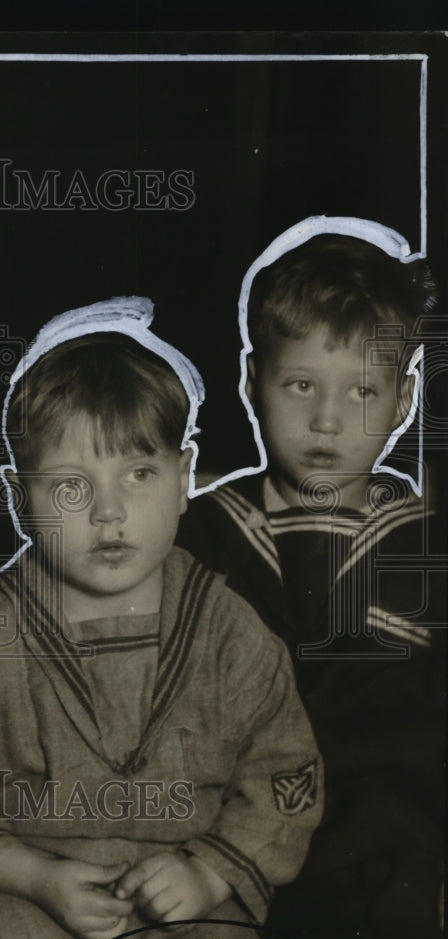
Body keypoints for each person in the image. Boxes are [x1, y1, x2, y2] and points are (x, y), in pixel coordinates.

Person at [0, 301, 322, 938]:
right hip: (29, 890)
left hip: (187, 888)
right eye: (70, 486)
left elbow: (284, 775)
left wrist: (208, 875)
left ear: (183, 478)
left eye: (139, 473)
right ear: (21, 501)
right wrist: (36, 878)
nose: (109, 512)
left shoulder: (229, 630)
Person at [176, 229, 445, 938]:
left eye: (362, 390)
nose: (327, 420)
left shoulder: (425, 549)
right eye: (300, 384)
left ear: (404, 399)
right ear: (250, 379)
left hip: (386, 870)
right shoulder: (196, 534)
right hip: (220, 852)